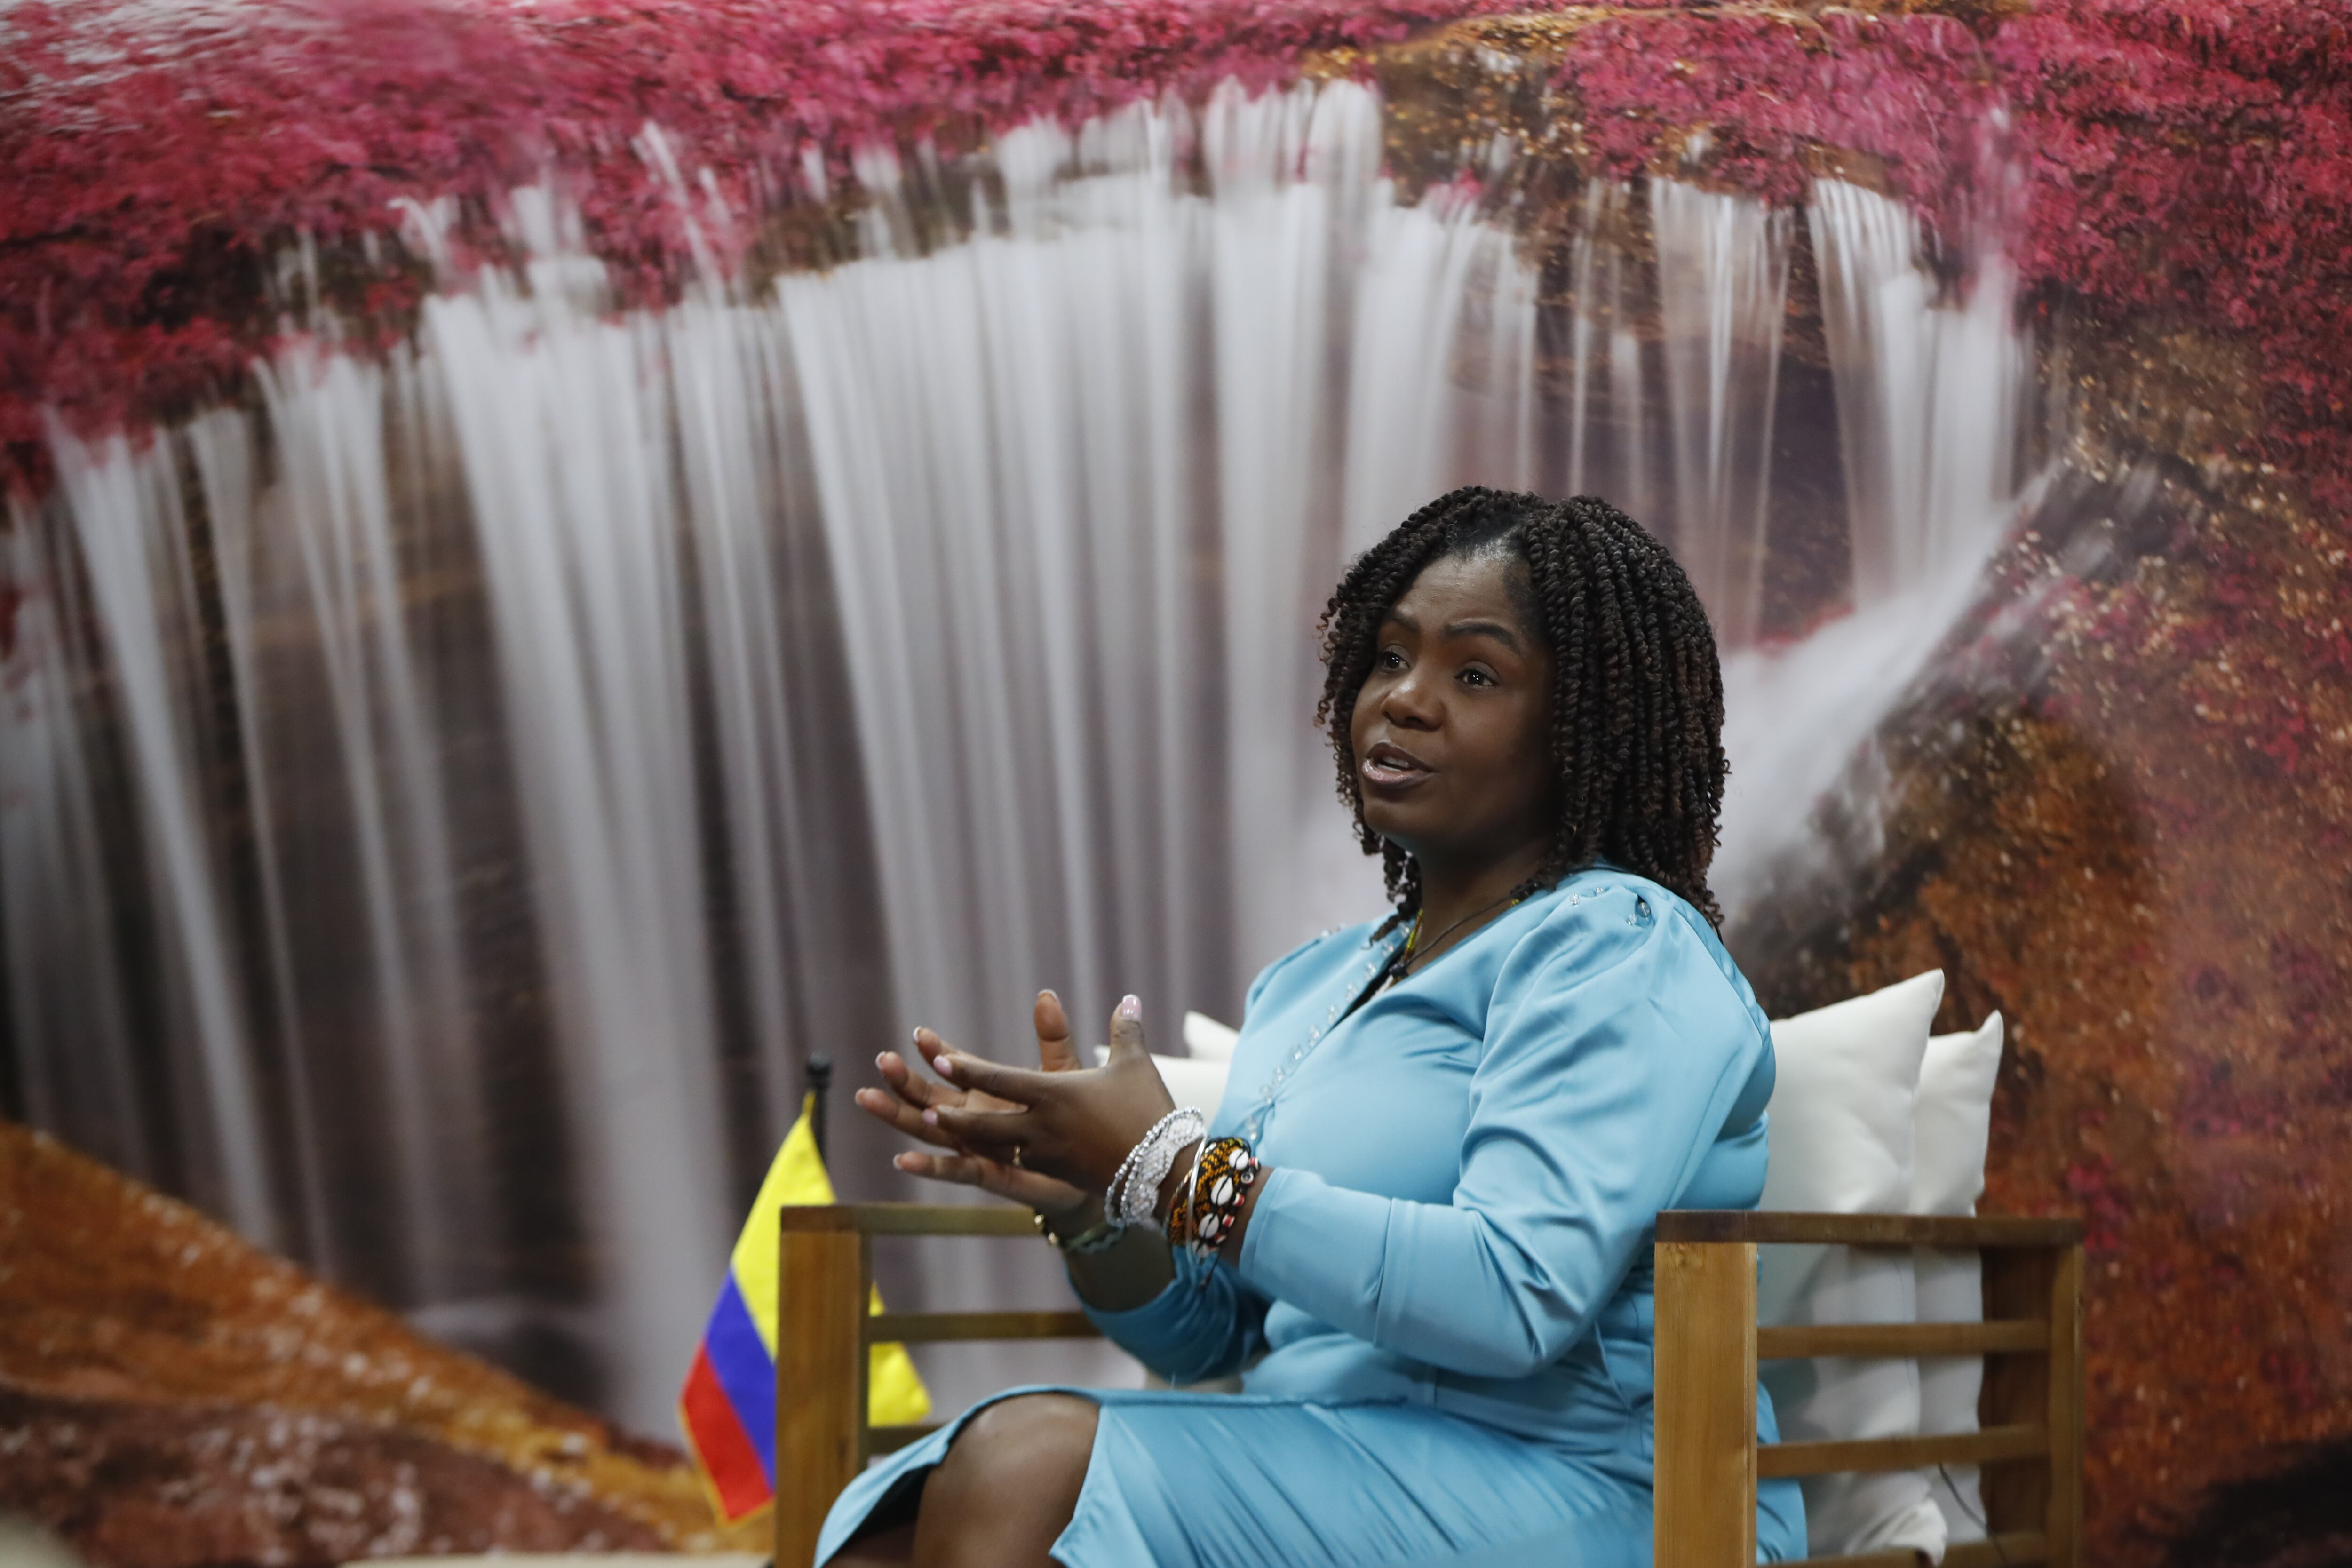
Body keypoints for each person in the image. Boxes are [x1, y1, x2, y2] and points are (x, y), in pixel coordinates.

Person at [828, 487, 1806, 1567]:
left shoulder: (1618, 944)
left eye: (1475, 674)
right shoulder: (1312, 981)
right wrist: (1094, 1206)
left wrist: (1177, 1171)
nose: (1405, 699)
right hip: (1325, 1454)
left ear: (1585, 725)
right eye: (1389, 657)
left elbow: (1517, 1293)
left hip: (1600, 1486)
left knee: (1021, 1466)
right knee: (898, 1525)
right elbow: (1213, 1336)